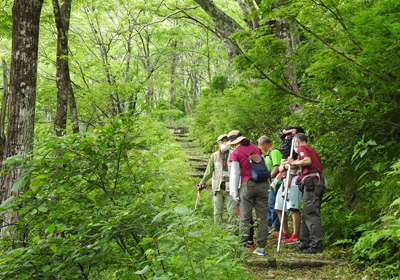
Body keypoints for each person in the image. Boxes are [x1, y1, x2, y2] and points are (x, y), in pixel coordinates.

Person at [228, 130, 269, 256]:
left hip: (247, 185)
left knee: (245, 217)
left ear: (234, 143)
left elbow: (235, 174)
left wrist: (234, 192)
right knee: (262, 217)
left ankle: (243, 246)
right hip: (262, 185)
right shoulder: (256, 149)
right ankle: (261, 247)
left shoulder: (236, 153)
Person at [287, 133, 326, 254]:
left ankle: (316, 244)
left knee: (311, 213)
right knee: (307, 212)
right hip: (316, 182)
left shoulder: (302, 148)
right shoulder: (311, 150)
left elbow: (307, 161)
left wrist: (293, 163)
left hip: (313, 183)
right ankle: (305, 242)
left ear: (297, 141)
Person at [198, 134, 236, 225]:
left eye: (226, 141)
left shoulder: (234, 154)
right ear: (218, 144)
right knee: (217, 211)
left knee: (232, 212)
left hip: (230, 187)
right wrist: (203, 181)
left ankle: (232, 230)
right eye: (222, 141)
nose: (225, 143)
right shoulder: (214, 156)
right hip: (217, 187)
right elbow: (209, 171)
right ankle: (218, 229)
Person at [258, 136, 282, 235]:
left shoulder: (274, 152)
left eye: (260, 145)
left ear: (265, 144)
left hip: (276, 183)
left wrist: (270, 177)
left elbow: (277, 167)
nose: (260, 148)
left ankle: (275, 226)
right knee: (269, 204)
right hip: (270, 183)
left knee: (273, 204)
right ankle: (270, 224)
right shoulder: (268, 154)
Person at [272, 171, 302, 244]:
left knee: (293, 208)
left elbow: (293, 166)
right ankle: (285, 232)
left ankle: (296, 235)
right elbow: (281, 168)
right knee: (279, 208)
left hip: (294, 183)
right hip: (284, 183)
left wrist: (284, 167)